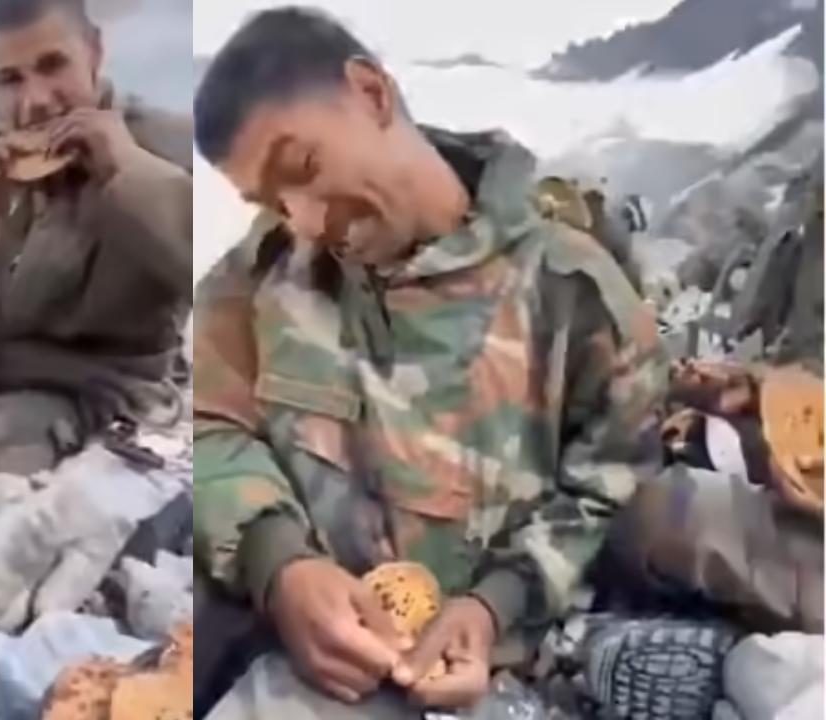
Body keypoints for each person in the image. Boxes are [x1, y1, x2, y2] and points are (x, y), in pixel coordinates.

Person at [190, 8, 667, 717]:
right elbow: (207, 428)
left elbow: (608, 485)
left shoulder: (574, 291)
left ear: (372, 94)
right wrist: (278, 562)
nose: (307, 222)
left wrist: (491, 607)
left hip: (495, 664)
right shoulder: (252, 288)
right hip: (296, 655)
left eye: (305, 168)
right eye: (270, 201)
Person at [0, 0, 193, 442]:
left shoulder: (167, 143)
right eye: (10, 80)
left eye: (53, 66)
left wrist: (125, 170)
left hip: (98, 397)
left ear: (94, 52)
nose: (35, 102)